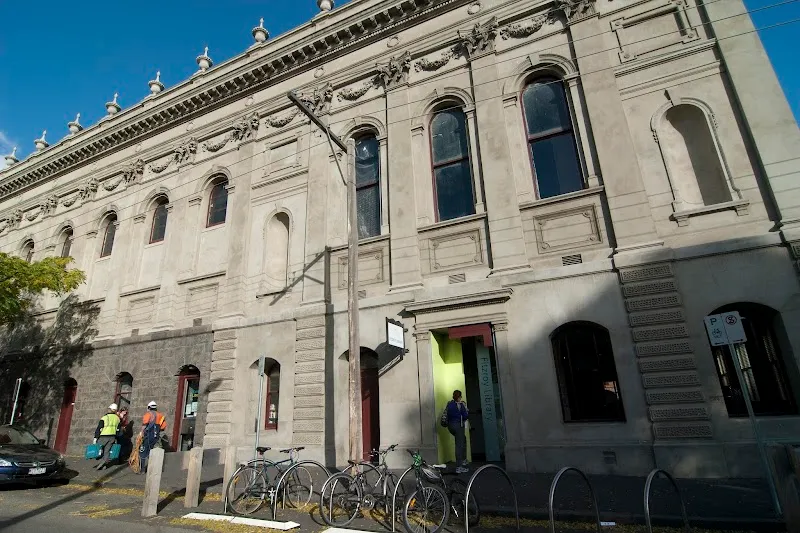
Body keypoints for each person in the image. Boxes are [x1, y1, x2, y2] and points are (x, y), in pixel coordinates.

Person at [139, 401, 167, 472]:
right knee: (154, 452)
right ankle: (154, 469)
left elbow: (144, 425)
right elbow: (163, 427)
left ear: (149, 407)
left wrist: (141, 433)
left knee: (143, 452)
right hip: (156, 437)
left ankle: (142, 470)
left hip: (147, 436)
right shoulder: (160, 415)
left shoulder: (148, 414)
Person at [445, 390, 469, 474]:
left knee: (463, 439)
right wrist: (466, 410)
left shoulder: (449, 404)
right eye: (460, 397)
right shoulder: (461, 405)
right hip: (458, 426)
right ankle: (459, 466)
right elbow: (465, 416)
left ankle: (464, 459)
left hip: (450, 426)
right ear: (459, 397)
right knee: (459, 445)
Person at [93, 403, 120, 470]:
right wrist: (116, 437)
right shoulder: (117, 419)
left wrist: (95, 437)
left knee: (98, 449)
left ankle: (100, 462)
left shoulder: (104, 418)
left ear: (110, 409)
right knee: (107, 451)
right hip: (112, 437)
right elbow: (118, 430)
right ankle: (104, 465)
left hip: (104, 436)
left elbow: (99, 428)